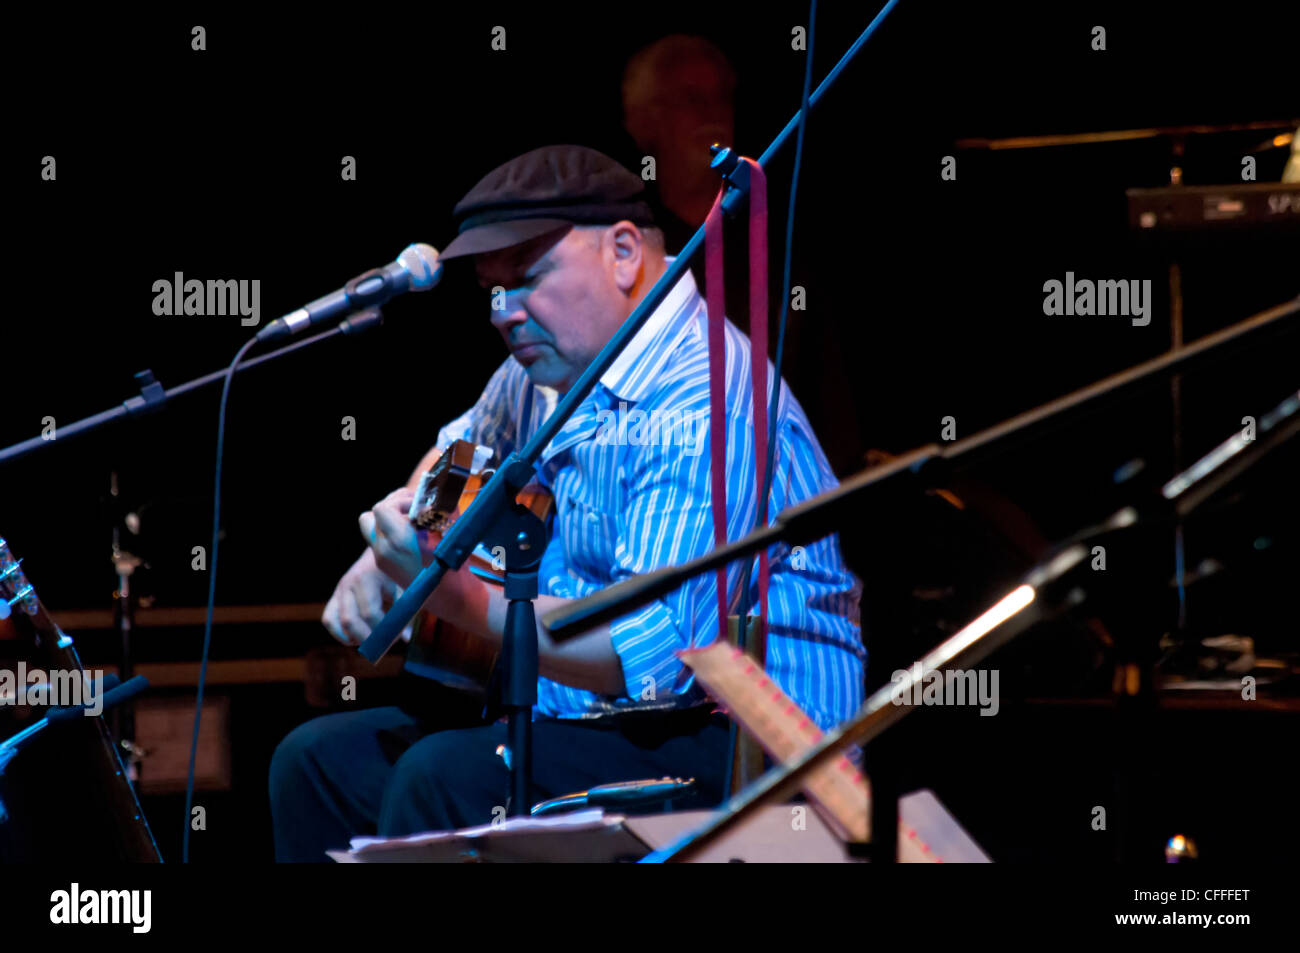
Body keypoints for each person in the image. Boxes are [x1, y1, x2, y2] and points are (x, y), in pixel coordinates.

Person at [268, 145, 865, 861]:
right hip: (603, 727)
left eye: (525, 279)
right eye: (490, 290)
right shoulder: (546, 371)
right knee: (315, 762)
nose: (502, 313)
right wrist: (388, 552)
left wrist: (455, 596)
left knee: (443, 778)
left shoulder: (706, 398)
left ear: (621, 252)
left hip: (750, 750)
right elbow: (462, 454)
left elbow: (645, 652)